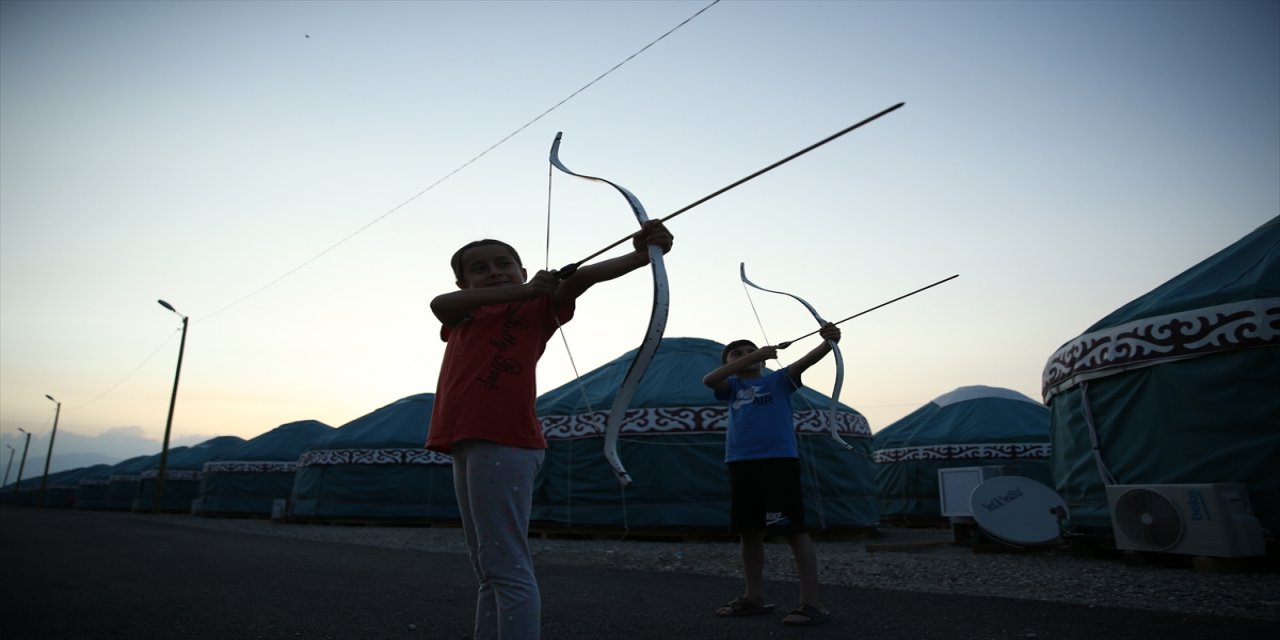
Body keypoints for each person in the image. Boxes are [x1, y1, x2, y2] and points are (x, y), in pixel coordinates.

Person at [426, 220, 673, 640]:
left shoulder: (538, 309)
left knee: (507, 566)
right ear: (464, 282)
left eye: (504, 263)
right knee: (488, 567)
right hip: (466, 439)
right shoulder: (464, 313)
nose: (494, 272)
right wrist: (522, 290)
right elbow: (439, 302)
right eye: (480, 268)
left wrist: (642, 254)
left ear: (525, 270)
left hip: (506, 439)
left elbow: (585, 277)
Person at [702, 324, 840, 627]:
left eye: (751, 351)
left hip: (778, 463)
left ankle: (812, 603)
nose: (746, 355)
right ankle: (753, 597)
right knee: (748, 531)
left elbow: (808, 360)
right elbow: (710, 379)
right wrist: (752, 357)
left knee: (793, 530)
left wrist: (828, 341)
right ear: (728, 363)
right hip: (740, 463)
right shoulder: (732, 387)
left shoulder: (780, 380)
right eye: (736, 354)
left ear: (764, 360)